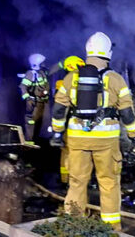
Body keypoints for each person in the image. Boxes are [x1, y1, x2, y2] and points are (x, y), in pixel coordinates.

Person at [50, 32, 135, 230]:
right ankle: (111, 229)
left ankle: (73, 226)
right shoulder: (116, 80)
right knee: (108, 183)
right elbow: (127, 113)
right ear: (108, 52)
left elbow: (58, 108)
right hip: (106, 142)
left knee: (76, 183)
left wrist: (57, 133)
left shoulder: (71, 77)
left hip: (77, 139)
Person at [51, 55, 86, 184]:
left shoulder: (64, 82)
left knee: (67, 151)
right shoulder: (91, 80)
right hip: (86, 124)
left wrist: (57, 132)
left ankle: (66, 180)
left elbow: (59, 108)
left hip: (69, 122)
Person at [20, 53, 50, 144]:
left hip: (42, 102)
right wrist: (28, 99)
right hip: (33, 102)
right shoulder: (30, 74)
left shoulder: (42, 73)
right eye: (42, 63)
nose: (44, 65)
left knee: (40, 122)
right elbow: (22, 87)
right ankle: (28, 142)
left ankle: (37, 140)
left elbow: (45, 86)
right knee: (31, 122)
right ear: (36, 64)